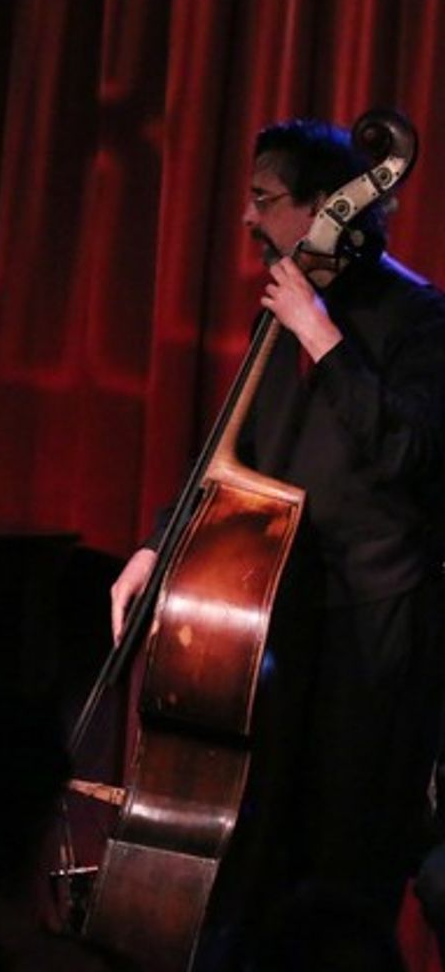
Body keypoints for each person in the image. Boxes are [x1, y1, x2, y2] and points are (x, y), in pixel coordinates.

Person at [109, 118, 445, 957]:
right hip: (279, 619)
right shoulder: (286, 307)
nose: (248, 218)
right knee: (265, 858)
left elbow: (414, 454)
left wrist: (321, 337)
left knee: (347, 858)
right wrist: (155, 547)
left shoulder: (419, 317)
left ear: (326, 205)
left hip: (375, 623)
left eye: (264, 199)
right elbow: (229, 455)